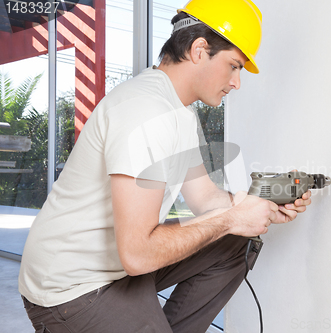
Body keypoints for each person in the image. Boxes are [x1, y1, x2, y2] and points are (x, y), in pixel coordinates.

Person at [19, 0, 312, 332]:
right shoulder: (147, 110)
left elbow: (205, 200)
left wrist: (259, 204)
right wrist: (232, 217)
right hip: (71, 287)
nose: (236, 82)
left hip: (119, 265)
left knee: (235, 241)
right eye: (234, 66)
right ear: (200, 50)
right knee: (227, 226)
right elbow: (138, 254)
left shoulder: (179, 111)